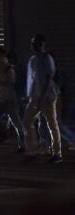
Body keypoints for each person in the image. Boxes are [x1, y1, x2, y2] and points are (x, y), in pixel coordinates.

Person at [23, 34, 63, 163]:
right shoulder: (33, 59)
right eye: (32, 42)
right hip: (36, 97)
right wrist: (30, 96)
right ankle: (32, 151)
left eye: (35, 43)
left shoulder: (47, 58)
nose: (33, 45)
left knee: (52, 124)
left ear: (42, 44)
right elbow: (32, 80)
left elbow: (48, 78)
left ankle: (57, 154)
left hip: (48, 96)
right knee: (27, 121)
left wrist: (42, 98)